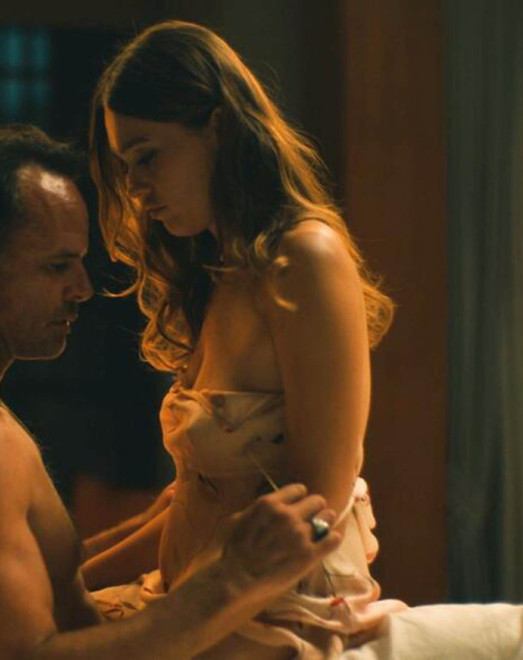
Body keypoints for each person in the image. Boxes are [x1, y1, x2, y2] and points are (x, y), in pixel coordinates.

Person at [0, 124, 344, 660]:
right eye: (57, 266)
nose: (83, 289)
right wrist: (233, 577)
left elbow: (38, 581)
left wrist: (167, 522)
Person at [84, 20, 408, 658]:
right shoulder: (216, 272)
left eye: (148, 157)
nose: (136, 188)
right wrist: (71, 576)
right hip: (197, 597)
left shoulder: (304, 258)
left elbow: (318, 502)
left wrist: (180, 617)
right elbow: (192, 500)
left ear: (217, 127)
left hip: (281, 605)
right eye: (126, 167)